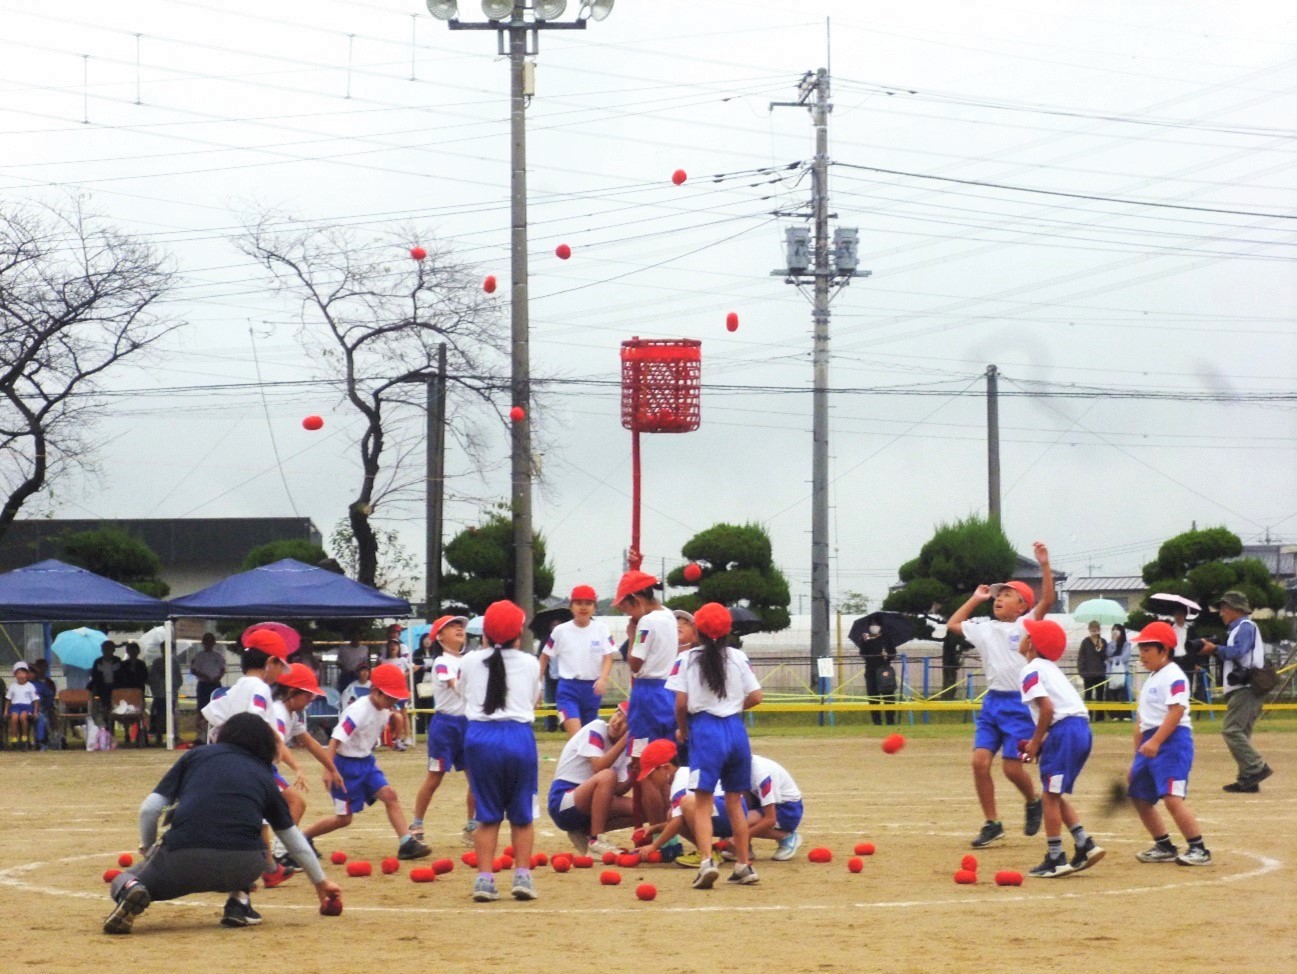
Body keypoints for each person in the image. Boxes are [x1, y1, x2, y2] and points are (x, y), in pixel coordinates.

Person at [101, 712, 343, 934]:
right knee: (249, 837)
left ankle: (133, 888)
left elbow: (149, 810)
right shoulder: (265, 774)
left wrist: (148, 847)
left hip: (182, 858)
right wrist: (320, 883)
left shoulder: (195, 756)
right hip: (245, 864)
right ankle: (239, 903)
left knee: (123, 879)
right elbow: (293, 839)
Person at [946, 541, 1052, 849]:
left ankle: (1033, 801)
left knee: (1011, 767)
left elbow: (1047, 599)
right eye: (997, 595)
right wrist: (974, 598)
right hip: (993, 702)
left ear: (1022, 606)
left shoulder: (1026, 624)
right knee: (979, 762)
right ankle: (992, 823)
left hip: (1020, 705)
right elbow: (953, 624)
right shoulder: (985, 628)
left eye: (1007, 595)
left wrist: (1044, 565)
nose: (998, 598)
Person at [668, 602, 763, 889]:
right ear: (728, 630)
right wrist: (735, 707)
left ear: (697, 629)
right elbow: (757, 696)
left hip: (706, 729)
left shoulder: (685, 659)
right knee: (736, 801)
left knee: (702, 801)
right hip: (735, 730)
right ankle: (744, 864)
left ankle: (707, 861)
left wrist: (683, 730)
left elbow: (681, 703)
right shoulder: (737, 656)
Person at [302, 662, 432, 862]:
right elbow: (335, 740)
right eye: (390, 697)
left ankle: (406, 843)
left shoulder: (384, 708)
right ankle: (304, 838)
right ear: (375, 691)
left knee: (390, 795)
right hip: (344, 766)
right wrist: (329, 770)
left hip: (366, 762)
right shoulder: (357, 711)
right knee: (344, 819)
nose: (392, 702)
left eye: (395, 698)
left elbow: (389, 718)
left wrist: (396, 720)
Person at [459, 600, 542, 903]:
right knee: (522, 815)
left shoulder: (468, 661)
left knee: (487, 815)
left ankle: (484, 879)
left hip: (480, 738)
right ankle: (522, 876)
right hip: (518, 736)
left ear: (485, 634)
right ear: (518, 634)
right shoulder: (531, 663)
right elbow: (533, 699)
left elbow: (463, 691)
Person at [1016, 619, 1103, 878]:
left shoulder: (1030, 671)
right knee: (1053, 792)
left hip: (1064, 732)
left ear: (1033, 644)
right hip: (1079, 731)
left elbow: (1049, 710)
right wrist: (1042, 741)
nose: (1024, 638)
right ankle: (1084, 843)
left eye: (1028, 635)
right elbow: (1062, 711)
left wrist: (1033, 742)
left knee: (1050, 796)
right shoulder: (1050, 669)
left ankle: (1056, 858)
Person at [1127, 621, 1211, 866]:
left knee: (1172, 797)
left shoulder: (1174, 675)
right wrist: (1137, 758)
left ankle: (1199, 848)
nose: (1142, 655)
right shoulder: (1152, 678)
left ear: (1164, 650)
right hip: (1149, 743)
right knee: (1139, 796)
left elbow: (1176, 711)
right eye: (1140, 649)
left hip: (1172, 742)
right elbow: (1141, 721)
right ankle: (1163, 844)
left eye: (1147, 650)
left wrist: (1156, 741)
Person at [410, 615, 478, 848]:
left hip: (467, 724)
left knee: (476, 778)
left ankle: (472, 826)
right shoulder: (441, 661)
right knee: (434, 777)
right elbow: (456, 688)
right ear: (439, 636)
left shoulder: (469, 660)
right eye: (452, 626)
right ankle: (416, 825)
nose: (459, 628)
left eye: (461, 626)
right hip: (445, 726)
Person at [1199, 590, 1272, 793]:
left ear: (1237, 609)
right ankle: (1248, 779)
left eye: (1224, 608)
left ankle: (1257, 768)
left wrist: (1214, 649)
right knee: (1242, 732)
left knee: (1231, 730)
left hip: (1246, 687)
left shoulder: (1245, 627)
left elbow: (1239, 652)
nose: (1221, 612)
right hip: (1246, 686)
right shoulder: (1241, 628)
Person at [549, 703, 634, 856]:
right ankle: (596, 840)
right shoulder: (597, 728)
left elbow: (618, 789)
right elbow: (598, 767)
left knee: (638, 809)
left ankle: (584, 832)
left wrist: (636, 769)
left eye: (626, 721)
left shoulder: (625, 749)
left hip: (588, 799)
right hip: (563, 800)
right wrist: (627, 739)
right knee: (608, 775)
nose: (617, 722)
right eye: (618, 713)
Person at [614, 570, 678, 761]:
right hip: (668, 691)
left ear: (637, 600)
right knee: (665, 754)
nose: (629, 616)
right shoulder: (669, 615)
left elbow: (634, 663)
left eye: (627, 609)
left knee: (640, 754)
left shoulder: (646, 623)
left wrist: (632, 635)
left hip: (647, 695)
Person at [538, 585, 617, 737]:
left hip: (592, 689)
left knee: (589, 736)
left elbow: (608, 657)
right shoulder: (560, 631)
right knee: (576, 737)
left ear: (594, 607)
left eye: (588, 603)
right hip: (568, 689)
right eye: (579, 603)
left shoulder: (601, 629)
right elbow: (544, 657)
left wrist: (603, 678)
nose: (583, 607)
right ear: (571, 606)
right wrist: (538, 685)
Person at [742, 753, 804, 862]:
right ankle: (745, 849)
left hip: (787, 809)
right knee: (733, 820)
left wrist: (739, 837)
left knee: (742, 823)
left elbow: (770, 819)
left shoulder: (762, 774)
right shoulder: (739, 768)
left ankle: (786, 837)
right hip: (761, 802)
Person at [857, 623, 899, 726]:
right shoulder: (865, 638)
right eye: (872, 625)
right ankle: (876, 721)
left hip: (885, 670)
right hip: (871, 671)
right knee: (873, 696)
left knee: (888, 696)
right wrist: (865, 642)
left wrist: (887, 656)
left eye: (876, 624)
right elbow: (863, 654)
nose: (874, 627)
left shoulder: (887, 638)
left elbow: (893, 653)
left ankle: (890, 720)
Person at [190, 634, 226, 745]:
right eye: (206, 641)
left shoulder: (219, 656)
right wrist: (204, 676)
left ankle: (216, 735)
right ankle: (200, 737)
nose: (208, 643)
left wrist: (216, 678)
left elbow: (222, 669)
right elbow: (193, 670)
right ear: (203, 643)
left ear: (214, 642)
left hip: (215, 685)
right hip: (203, 685)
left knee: (217, 709)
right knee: (201, 710)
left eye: (211, 641)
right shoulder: (199, 656)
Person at [382, 638, 413, 751]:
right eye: (391, 645)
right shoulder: (385, 661)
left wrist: (402, 677)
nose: (393, 647)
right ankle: (394, 737)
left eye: (395, 645)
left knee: (404, 713)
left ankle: (407, 736)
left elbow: (411, 669)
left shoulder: (402, 660)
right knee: (394, 713)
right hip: (390, 691)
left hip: (401, 689)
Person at [1076, 622, 1108, 722]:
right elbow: (1081, 657)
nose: (1094, 631)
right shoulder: (1085, 642)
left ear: (1099, 629)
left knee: (1100, 695)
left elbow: (1104, 657)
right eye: (1092, 629)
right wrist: (1082, 671)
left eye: (1096, 628)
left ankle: (1100, 717)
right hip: (1088, 673)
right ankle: (1088, 715)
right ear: (1089, 630)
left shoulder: (1103, 641)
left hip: (1100, 672)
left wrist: (1101, 648)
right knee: (1088, 695)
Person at [148, 650, 181, 746]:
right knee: (159, 715)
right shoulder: (156, 662)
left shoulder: (175, 663)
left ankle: (173, 735)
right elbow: (152, 679)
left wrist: (171, 682)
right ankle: (158, 735)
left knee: (171, 714)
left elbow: (178, 679)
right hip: (159, 694)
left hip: (171, 695)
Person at [5, 661, 40, 749]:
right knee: (14, 718)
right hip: (15, 706)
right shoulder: (12, 686)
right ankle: (14, 739)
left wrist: (35, 711)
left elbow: (35, 700)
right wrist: (6, 711)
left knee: (23, 717)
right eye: (18, 673)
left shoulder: (30, 686)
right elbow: (8, 700)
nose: (21, 675)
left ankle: (24, 738)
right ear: (15, 675)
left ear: (27, 674)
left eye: (23, 673)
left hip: (26, 706)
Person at [88, 641, 122, 726]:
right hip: (102, 688)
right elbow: (94, 676)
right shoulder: (98, 661)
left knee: (112, 707)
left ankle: (112, 725)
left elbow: (121, 675)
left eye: (109, 649)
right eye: (105, 649)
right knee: (103, 706)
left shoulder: (117, 660)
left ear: (113, 650)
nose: (107, 651)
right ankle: (105, 723)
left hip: (115, 688)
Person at [1106, 624, 1132, 713]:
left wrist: (1113, 659)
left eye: (1117, 631)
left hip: (1123, 672)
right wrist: (1113, 642)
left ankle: (1125, 714)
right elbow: (1108, 654)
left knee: (1123, 693)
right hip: (1111, 672)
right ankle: (1114, 714)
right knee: (1112, 693)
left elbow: (1125, 657)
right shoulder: (1109, 644)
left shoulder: (1126, 644)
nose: (1115, 633)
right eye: (1113, 631)